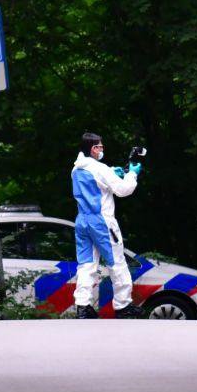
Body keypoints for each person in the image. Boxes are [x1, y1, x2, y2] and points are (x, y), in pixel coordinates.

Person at [71, 132, 144, 318]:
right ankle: (123, 305)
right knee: (116, 262)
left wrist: (113, 171)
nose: (102, 149)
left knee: (86, 264)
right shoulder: (99, 168)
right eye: (101, 147)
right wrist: (132, 175)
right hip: (102, 222)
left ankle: (83, 306)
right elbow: (122, 190)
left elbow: (97, 179)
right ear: (94, 148)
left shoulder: (76, 169)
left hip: (82, 221)